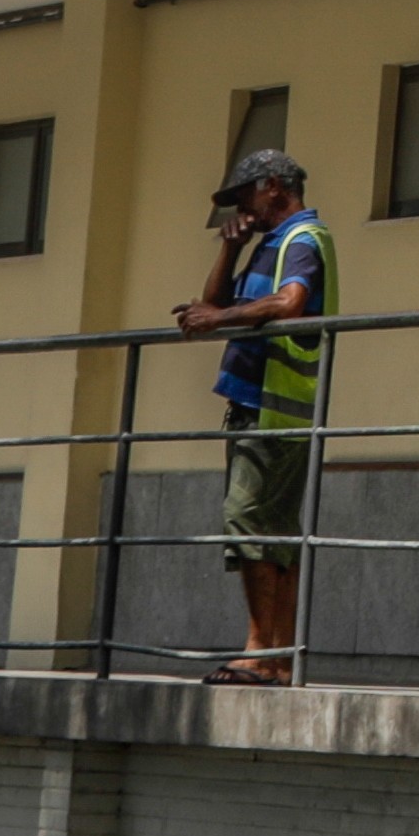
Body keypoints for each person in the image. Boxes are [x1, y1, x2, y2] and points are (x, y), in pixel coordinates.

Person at [169, 148, 328, 688]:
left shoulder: (303, 240)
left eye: (244, 196)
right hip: (259, 404)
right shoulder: (267, 246)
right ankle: (277, 657)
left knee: (250, 519)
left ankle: (260, 652)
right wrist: (230, 251)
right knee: (273, 530)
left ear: (274, 186)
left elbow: (290, 304)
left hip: (274, 406)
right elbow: (209, 311)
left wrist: (218, 315)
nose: (240, 208)